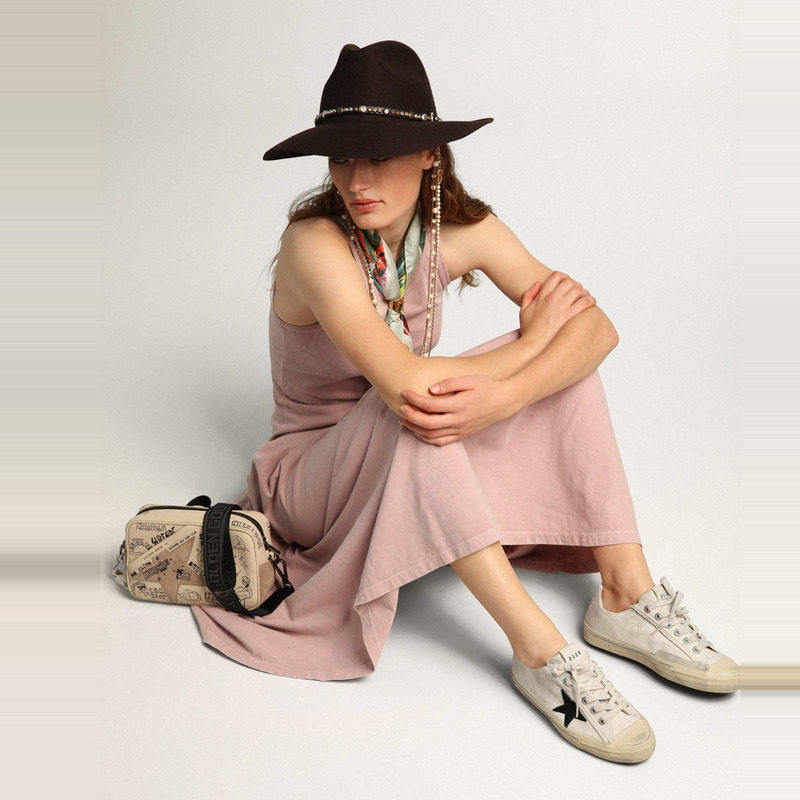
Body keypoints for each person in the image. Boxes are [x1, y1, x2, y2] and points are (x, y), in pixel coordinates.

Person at [190, 40, 739, 764]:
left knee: (563, 368)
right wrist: (522, 355)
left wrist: (509, 391)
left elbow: (596, 329)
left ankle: (624, 596)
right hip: (309, 484)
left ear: (429, 155)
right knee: (424, 404)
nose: (357, 179)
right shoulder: (313, 243)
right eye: (342, 158)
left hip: (404, 444)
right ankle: (539, 651)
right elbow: (405, 386)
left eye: (379, 155)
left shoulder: (462, 233)